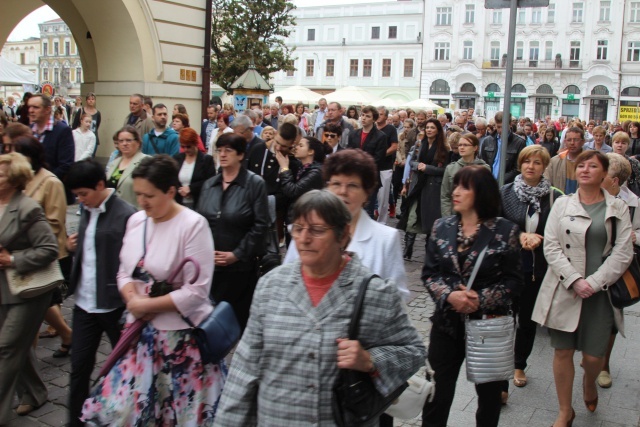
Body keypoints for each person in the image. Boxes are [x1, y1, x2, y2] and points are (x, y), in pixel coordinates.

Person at [215, 190, 426, 426]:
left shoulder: (374, 294)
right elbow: (244, 369)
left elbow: (413, 352)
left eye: (316, 230)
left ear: (343, 235)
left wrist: (369, 360)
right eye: (298, 228)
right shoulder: (271, 287)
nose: (303, 239)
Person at [81, 155, 226, 426]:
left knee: (177, 413)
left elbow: (197, 292)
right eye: (138, 195)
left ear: (171, 191)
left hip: (180, 341)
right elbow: (124, 270)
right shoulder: (137, 221)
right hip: (140, 338)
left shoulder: (193, 225)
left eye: (149, 195)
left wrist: (143, 306)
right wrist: (131, 297)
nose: (142, 202)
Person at [532, 150, 633, 427]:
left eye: (593, 166)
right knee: (562, 351)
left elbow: (623, 252)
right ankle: (565, 410)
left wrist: (594, 282)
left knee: (593, 356)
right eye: (581, 166)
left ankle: (590, 382)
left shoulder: (617, 207)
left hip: (601, 292)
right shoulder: (563, 204)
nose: (585, 170)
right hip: (565, 287)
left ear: (604, 174)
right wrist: (575, 280)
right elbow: (550, 246)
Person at [422, 166, 522, 427]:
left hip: (488, 326)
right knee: (436, 394)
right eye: (455, 186)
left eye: (464, 187)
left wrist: (481, 298)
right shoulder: (441, 226)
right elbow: (430, 274)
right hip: (446, 325)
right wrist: (449, 296)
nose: (455, 192)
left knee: (489, 399)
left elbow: (514, 281)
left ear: (483, 194)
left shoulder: (506, 230)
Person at [64, 159, 137, 427]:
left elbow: (135, 263)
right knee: (79, 369)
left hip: (115, 305)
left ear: (99, 185)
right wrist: (74, 247)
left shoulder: (126, 214)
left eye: (84, 194)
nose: (80, 201)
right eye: (76, 196)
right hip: (84, 304)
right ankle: (74, 422)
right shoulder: (86, 209)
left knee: (127, 367)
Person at [284, 148, 410, 300]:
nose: (343, 191)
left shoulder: (386, 239)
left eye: (352, 185)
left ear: (366, 193)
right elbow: (288, 281)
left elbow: (397, 297)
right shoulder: (304, 231)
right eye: (336, 183)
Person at [0, 152, 59, 422]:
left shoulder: (27, 208)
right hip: (4, 290)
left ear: (14, 180)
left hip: (27, 290)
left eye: (1, 173)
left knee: (7, 347)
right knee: (18, 347)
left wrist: (12, 259)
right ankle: (35, 392)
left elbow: (49, 249)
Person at [500, 146, 563, 396]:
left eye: (537, 162)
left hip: (536, 269)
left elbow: (562, 232)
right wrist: (520, 236)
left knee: (526, 322)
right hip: (506, 267)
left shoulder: (555, 197)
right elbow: (494, 226)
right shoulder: (505, 193)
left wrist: (542, 239)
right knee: (504, 322)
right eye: (527, 161)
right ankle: (500, 378)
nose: (531, 166)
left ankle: (519, 365)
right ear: (520, 164)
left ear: (544, 166)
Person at [196, 133, 269, 330]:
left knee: (237, 324)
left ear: (240, 155)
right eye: (220, 150)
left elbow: (261, 225)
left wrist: (237, 254)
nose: (223, 154)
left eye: (228, 150)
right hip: (210, 267)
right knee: (208, 325)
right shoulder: (209, 185)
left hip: (240, 269)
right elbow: (200, 222)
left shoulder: (254, 184)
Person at [10, 136, 74, 358]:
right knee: (43, 303)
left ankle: (28, 358)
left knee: (36, 305)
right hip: (20, 255)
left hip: (45, 254)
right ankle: (66, 334)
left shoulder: (51, 182)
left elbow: (55, 222)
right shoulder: (17, 181)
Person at [597, 153, 640, 390]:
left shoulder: (634, 203)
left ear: (615, 181)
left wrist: (636, 236)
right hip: (590, 265)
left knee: (612, 317)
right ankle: (591, 357)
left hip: (619, 269)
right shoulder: (589, 197)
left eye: (604, 174)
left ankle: (604, 366)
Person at [397, 118, 449, 240]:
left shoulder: (443, 148)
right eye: (427, 127)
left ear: (438, 131)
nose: (429, 130)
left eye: (432, 128)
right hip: (417, 182)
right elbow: (412, 161)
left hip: (433, 186)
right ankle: (408, 244)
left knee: (430, 217)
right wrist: (418, 166)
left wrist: (427, 168)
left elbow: (444, 170)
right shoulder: (419, 144)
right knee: (412, 214)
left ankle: (429, 244)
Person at [28, 94, 75, 200]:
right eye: (29, 107)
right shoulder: (29, 130)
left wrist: (42, 183)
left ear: (47, 109)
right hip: (31, 191)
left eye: (35, 107)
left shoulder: (62, 130)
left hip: (53, 192)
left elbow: (66, 164)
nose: (31, 110)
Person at [346, 105, 388, 220]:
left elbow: (379, 159)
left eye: (367, 116)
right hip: (354, 177)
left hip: (370, 179)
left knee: (367, 212)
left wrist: (359, 165)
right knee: (352, 210)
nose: (363, 118)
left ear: (374, 119)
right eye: (362, 115)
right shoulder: (354, 134)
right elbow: (349, 153)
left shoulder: (381, 136)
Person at [276, 136, 330, 219]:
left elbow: (293, 191)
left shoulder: (316, 172)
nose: (296, 147)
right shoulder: (301, 167)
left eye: (300, 146)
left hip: (306, 218)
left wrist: (284, 168)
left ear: (310, 151)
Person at [441, 133, 490, 216]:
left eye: (466, 145)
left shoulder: (484, 168)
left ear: (475, 148)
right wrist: (447, 217)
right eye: (460, 145)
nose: (462, 147)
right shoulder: (451, 168)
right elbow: (445, 195)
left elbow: (487, 195)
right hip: (455, 214)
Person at [106, 126, 149, 208]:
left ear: (138, 143)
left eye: (128, 140)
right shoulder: (114, 163)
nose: (124, 144)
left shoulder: (146, 161)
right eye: (121, 141)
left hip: (135, 212)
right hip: (114, 211)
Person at [173, 127, 215, 208]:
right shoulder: (177, 158)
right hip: (180, 204)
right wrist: (179, 189)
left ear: (195, 144)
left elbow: (210, 182)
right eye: (183, 146)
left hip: (199, 203)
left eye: (188, 146)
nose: (185, 149)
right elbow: (173, 179)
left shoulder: (206, 160)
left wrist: (191, 189)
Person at [480, 112, 526, 184]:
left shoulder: (519, 142)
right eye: (498, 127)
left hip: (508, 185)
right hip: (489, 183)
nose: (501, 130)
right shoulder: (487, 141)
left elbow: (518, 168)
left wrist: (500, 180)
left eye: (503, 127)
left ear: (510, 125)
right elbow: (482, 163)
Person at [544, 126, 586, 195]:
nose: (572, 143)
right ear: (565, 142)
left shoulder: (589, 162)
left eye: (576, 140)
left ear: (583, 142)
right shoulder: (554, 161)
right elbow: (546, 184)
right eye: (569, 140)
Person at [611, 131, 640, 196]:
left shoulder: (634, 163)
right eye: (617, 142)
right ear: (612, 144)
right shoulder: (604, 160)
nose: (620, 145)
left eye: (623, 143)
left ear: (627, 145)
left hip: (628, 197)